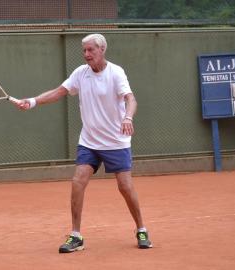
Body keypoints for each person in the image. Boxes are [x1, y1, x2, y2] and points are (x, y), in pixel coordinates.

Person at [15, 33, 152, 253]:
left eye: (91, 50)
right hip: (89, 141)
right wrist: (32, 102)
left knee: (125, 187)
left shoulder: (116, 73)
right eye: (84, 51)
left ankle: (141, 229)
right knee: (78, 181)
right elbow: (59, 92)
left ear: (102, 50)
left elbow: (130, 99)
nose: (87, 54)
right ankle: (76, 236)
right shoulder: (80, 74)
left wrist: (128, 117)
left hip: (116, 141)